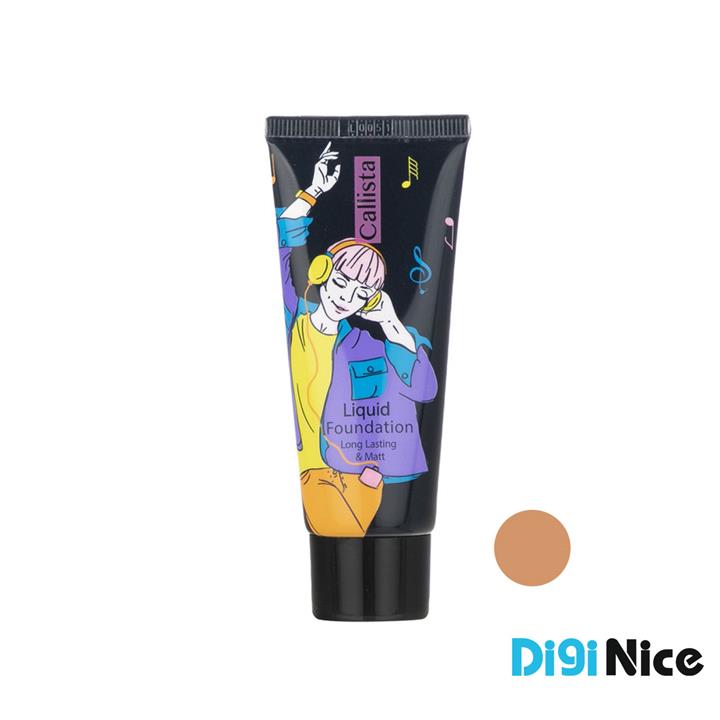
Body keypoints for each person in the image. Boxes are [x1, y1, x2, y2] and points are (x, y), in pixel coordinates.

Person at [276, 143, 437, 536]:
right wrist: (313, 190)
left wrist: (392, 323)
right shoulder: (296, 316)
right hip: (313, 474)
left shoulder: (366, 345)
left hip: (359, 478)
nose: (346, 296)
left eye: (361, 292)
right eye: (342, 281)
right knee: (332, 528)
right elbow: (285, 236)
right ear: (322, 272)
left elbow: (424, 389)